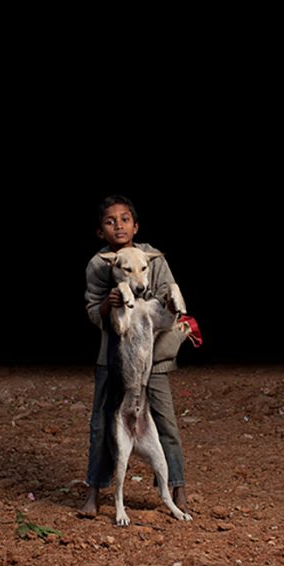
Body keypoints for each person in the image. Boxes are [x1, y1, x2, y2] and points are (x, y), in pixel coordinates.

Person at [79, 194, 192, 518]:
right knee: (102, 424)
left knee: (165, 421)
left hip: (152, 356)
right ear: (101, 231)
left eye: (125, 219)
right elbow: (92, 310)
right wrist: (110, 301)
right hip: (113, 357)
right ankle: (94, 490)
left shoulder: (151, 258)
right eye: (110, 221)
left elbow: (166, 297)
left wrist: (173, 301)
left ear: (136, 225)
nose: (118, 225)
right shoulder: (99, 264)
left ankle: (178, 487)